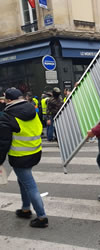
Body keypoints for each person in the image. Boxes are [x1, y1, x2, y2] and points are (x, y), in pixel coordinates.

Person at [0, 88, 48, 228]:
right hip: (35, 152)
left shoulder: (7, 116)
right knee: (23, 182)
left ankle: (41, 217)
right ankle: (25, 208)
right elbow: (39, 129)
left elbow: (3, 143)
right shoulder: (32, 110)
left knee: (30, 185)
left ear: (8, 100)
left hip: (20, 156)